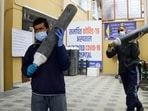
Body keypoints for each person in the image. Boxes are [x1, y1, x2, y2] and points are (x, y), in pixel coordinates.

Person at [22, 17, 70, 111]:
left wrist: (60, 46)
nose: (38, 32)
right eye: (36, 30)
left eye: (41, 29)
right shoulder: (32, 49)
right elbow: (24, 68)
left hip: (57, 93)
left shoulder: (57, 47)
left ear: (47, 29)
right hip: (38, 93)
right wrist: (27, 70)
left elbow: (65, 65)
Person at [106, 25, 144, 111]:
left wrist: (134, 42)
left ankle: (130, 109)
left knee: (131, 92)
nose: (120, 32)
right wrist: (109, 49)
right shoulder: (118, 44)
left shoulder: (133, 41)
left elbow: (135, 55)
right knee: (129, 92)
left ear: (126, 31)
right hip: (123, 71)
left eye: (122, 30)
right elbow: (110, 54)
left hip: (133, 70)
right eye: (119, 31)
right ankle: (139, 106)